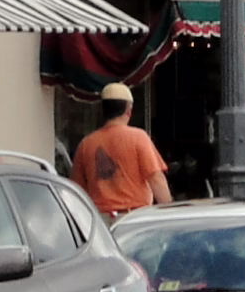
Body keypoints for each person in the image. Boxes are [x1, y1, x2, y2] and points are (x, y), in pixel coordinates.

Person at [71, 82, 173, 219]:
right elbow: (156, 179)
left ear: (103, 110)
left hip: (99, 221)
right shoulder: (138, 138)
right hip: (133, 218)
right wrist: (169, 213)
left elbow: (76, 190)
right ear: (128, 110)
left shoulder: (86, 144)